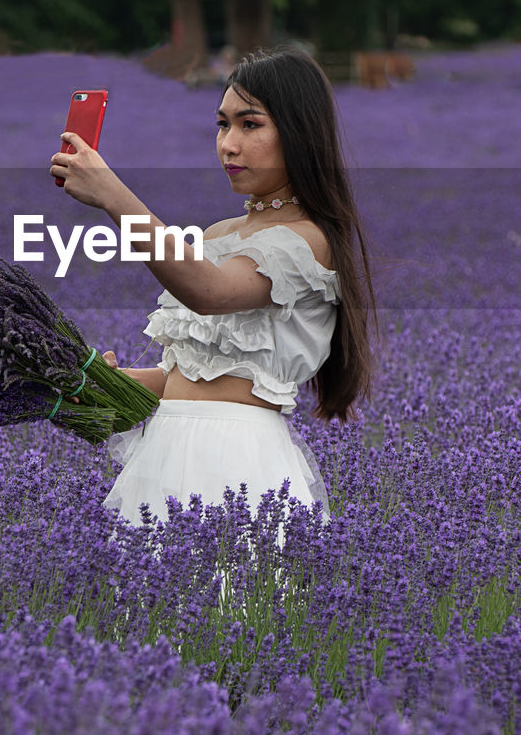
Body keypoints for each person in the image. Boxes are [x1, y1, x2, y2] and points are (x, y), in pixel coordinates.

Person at [49, 44, 377, 527]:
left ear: (300, 134)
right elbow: (189, 376)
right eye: (222, 124)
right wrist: (93, 378)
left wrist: (112, 196)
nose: (228, 143)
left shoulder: (309, 242)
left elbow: (211, 294)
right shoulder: (216, 236)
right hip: (162, 459)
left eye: (250, 124)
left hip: (239, 465)